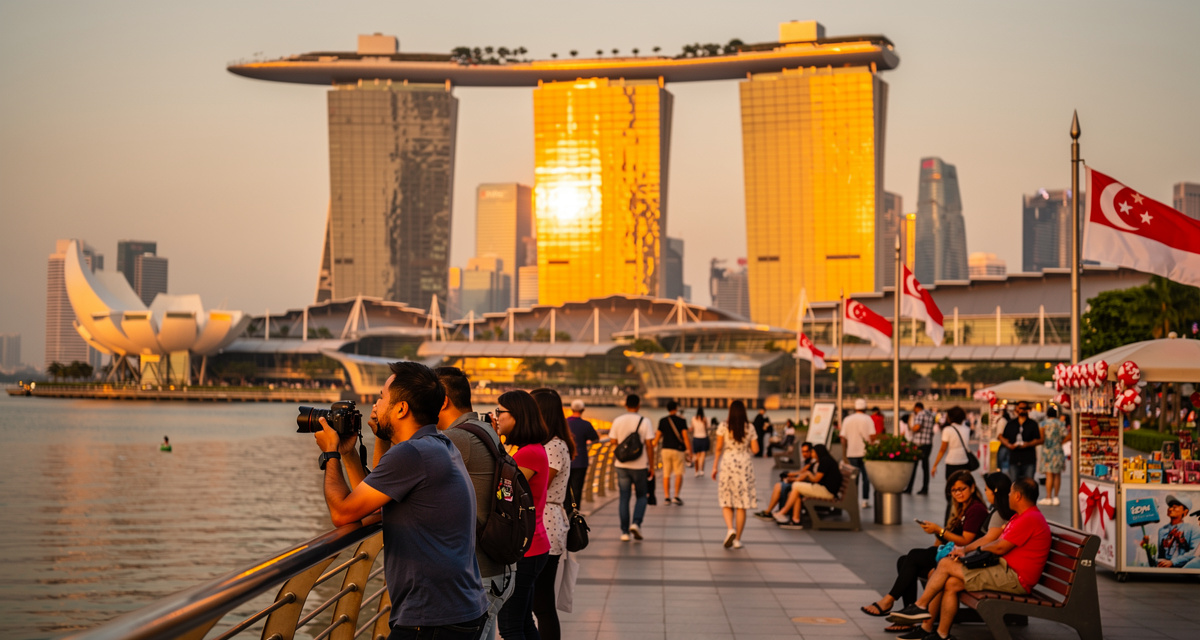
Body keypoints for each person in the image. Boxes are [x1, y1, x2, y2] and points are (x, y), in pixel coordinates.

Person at [313, 361, 488, 639]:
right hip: (458, 609)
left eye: (382, 397)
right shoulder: (439, 445)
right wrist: (348, 453)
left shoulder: (413, 453)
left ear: (401, 408)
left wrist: (330, 453)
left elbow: (342, 513)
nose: (375, 405)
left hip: (432, 618)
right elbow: (369, 499)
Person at [889, 478, 1052, 640]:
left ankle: (920, 606)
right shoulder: (1021, 517)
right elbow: (997, 543)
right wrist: (966, 551)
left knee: (945, 564)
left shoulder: (1029, 519)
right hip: (1004, 571)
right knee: (951, 583)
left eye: (1010, 493)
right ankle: (942, 634)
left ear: (1017, 496)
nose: (1007, 495)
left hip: (1014, 578)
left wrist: (969, 550)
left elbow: (1000, 547)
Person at [435, 367, 514, 639]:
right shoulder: (483, 429)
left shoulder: (457, 439)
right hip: (495, 571)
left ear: (442, 400)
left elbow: (390, 492)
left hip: (479, 576)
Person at [860, 471, 988, 631]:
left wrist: (939, 531)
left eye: (962, 489)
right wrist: (938, 536)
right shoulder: (962, 507)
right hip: (948, 553)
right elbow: (946, 537)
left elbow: (966, 541)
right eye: (954, 490)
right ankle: (909, 618)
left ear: (972, 487)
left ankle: (889, 600)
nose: (958, 493)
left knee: (913, 555)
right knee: (904, 561)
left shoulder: (976, 509)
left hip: (960, 558)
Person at [494, 390, 551, 640]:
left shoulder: (528, 453)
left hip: (526, 550)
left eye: (500, 412)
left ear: (516, 416)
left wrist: (493, 442)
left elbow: (502, 493)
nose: (496, 417)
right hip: (534, 544)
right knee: (523, 622)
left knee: (510, 626)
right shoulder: (532, 450)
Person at [530, 388, 575, 640]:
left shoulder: (554, 446)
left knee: (542, 602)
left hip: (547, 525)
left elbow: (538, 486)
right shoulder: (548, 444)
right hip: (543, 523)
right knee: (537, 601)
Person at [711, 400, 758, 548]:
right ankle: (737, 539)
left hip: (728, 463)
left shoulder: (724, 426)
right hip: (744, 464)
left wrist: (714, 467)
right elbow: (756, 450)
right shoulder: (750, 427)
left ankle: (730, 529)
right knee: (741, 504)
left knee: (727, 500)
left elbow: (718, 448)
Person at [610, 393, 655, 541]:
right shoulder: (645, 421)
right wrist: (652, 465)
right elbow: (649, 445)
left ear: (625, 405)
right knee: (642, 496)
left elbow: (613, 441)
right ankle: (636, 523)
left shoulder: (617, 420)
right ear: (639, 405)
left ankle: (624, 532)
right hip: (640, 465)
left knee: (624, 497)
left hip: (621, 465)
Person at [773, 444, 842, 529]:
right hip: (822, 489)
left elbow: (816, 479)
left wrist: (808, 474)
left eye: (813, 451)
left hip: (827, 492)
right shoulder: (822, 460)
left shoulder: (825, 461)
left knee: (796, 486)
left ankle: (783, 512)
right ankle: (796, 520)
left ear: (818, 452)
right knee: (796, 492)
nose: (812, 453)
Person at [755, 442, 817, 518]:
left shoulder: (812, 462)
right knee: (779, 485)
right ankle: (769, 511)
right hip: (800, 483)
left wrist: (791, 476)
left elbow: (803, 473)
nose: (804, 454)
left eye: (806, 451)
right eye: (802, 451)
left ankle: (779, 511)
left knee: (782, 486)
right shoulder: (807, 461)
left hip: (804, 485)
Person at [840, 398, 877, 509]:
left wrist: (844, 453)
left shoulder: (847, 419)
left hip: (852, 452)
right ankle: (865, 500)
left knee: (853, 478)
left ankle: (853, 499)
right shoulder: (868, 419)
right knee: (866, 478)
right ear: (865, 408)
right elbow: (872, 436)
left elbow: (843, 438)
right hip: (865, 453)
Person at [655, 400, 692, 505]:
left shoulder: (662, 421)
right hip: (678, 450)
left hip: (665, 449)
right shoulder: (681, 421)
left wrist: (651, 445)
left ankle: (667, 497)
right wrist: (689, 450)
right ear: (676, 408)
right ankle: (676, 496)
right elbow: (685, 437)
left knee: (666, 474)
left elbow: (657, 438)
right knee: (678, 473)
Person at [1150, 494, 1200, 568]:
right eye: (1170, 506)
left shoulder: (1192, 529)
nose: (1170, 509)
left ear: (1185, 512)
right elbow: (1161, 553)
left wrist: (1173, 562)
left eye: (1174, 507)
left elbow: (1193, 553)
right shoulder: (1162, 530)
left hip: (1184, 569)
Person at [566, 399, 599, 507]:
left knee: (564, 487)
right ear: (583, 410)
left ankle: (566, 510)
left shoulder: (565, 423)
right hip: (581, 460)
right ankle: (575, 511)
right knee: (577, 488)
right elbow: (595, 438)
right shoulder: (586, 424)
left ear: (571, 409)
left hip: (565, 459)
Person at [1000, 401, 1043, 481]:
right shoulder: (1011, 423)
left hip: (1028, 458)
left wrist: (1028, 444)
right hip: (1014, 458)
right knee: (1014, 484)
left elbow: (1039, 439)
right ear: (1017, 409)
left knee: (1028, 483)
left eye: (1024, 408)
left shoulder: (1032, 424)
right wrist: (1009, 445)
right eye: (1021, 408)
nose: (1022, 410)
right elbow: (1003, 437)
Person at [905, 402, 936, 495]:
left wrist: (910, 426)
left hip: (919, 444)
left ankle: (909, 488)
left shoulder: (919, 415)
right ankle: (925, 488)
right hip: (928, 444)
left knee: (914, 466)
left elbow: (916, 427)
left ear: (916, 408)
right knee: (925, 467)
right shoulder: (930, 415)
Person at [1037, 407, 1066, 506]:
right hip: (1058, 450)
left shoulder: (1043, 424)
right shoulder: (1060, 423)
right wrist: (1060, 442)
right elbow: (1067, 435)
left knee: (1049, 475)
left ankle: (1048, 496)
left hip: (1047, 451)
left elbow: (1041, 438)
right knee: (1057, 474)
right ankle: (1056, 497)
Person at [690, 406, 711, 476]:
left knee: (696, 456)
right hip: (703, 438)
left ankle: (696, 471)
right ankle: (702, 470)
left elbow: (691, 428)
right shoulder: (705, 419)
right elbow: (707, 428)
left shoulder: (693, 419)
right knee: (703, 455)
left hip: (696, 438)